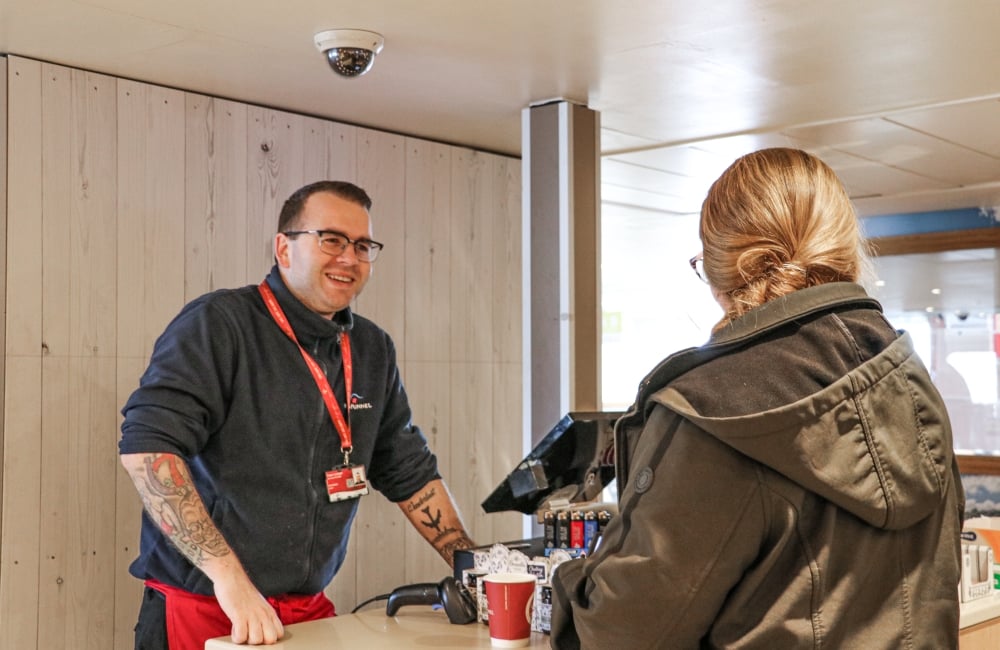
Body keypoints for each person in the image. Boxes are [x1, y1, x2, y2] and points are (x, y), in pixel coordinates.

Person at [550, 148, 964, 649]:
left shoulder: (712, 415)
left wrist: (570, 580)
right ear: (845, 249)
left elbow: (625, 633)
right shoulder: (914, 389)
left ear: (721, 273)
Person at [119, 180, 475, 649]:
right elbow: (148, 452)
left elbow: (409, 471)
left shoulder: (371, 348)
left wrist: (475, 569)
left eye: (363, 245)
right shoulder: (219, 325)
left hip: (306, 612)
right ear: (283, 248)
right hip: (208, 606)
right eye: (331, 240)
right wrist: (232, 584)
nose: (349, 257)